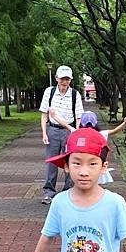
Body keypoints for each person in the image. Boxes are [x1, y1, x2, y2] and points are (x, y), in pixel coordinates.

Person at [48, 109, 126, 184]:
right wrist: (124, 123)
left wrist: (54, 116)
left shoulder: (76, 132)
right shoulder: (101, 134)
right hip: (95, 167)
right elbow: (114, 131)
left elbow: (65, 125)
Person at [39, 65, 84, 205]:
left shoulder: (75, 94)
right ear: (56, 78)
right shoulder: (49, 92)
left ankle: (68, 191)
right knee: (51, 161)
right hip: (53, 129)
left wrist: (76, 133)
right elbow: (44, 114)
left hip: (69, 131)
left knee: (70, 162)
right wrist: (44, 133)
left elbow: (78, 116)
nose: (65, 82)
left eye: (67, 79)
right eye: (62, 79)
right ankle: (48, 192)